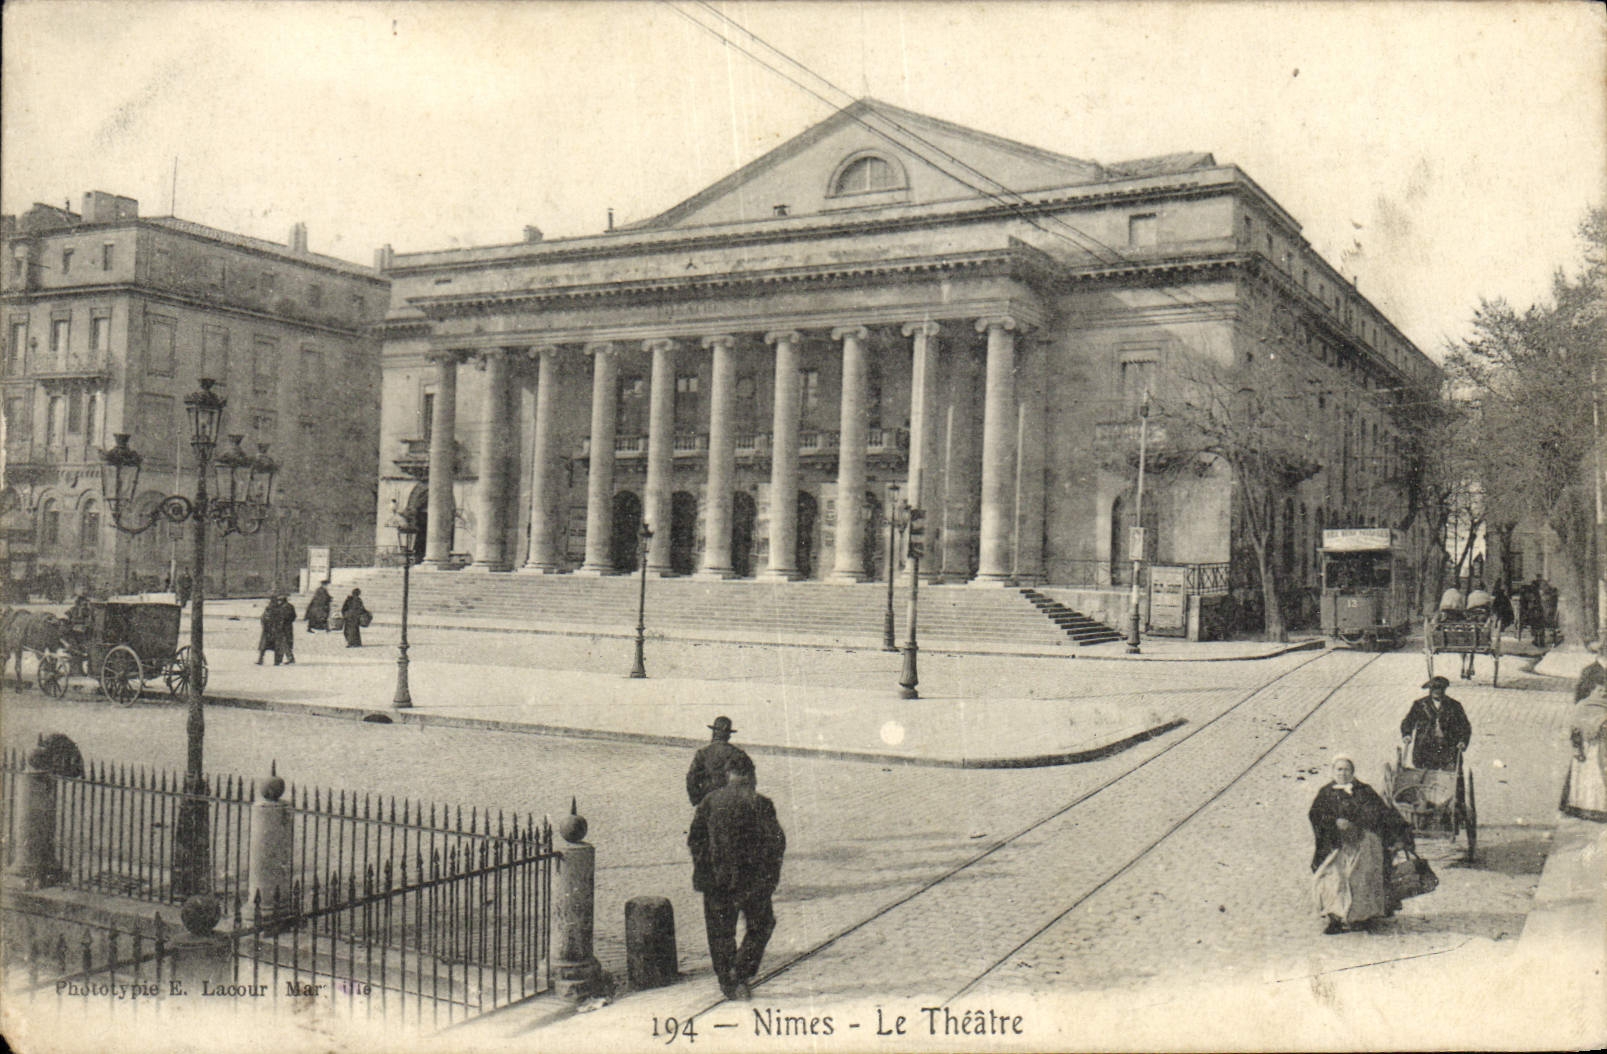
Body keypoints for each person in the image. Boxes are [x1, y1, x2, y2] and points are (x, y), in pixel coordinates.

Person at [688, 752, 785, 1000]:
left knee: (720, 933)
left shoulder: (710, 801)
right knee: (762, 925)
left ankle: (727, 982)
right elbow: (776, 844)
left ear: (728, 775)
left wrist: (706, 869)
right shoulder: (762, 803)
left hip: (716, 881)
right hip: (753, 883)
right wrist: (769, 879)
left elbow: (695, 840)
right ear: (750, 776)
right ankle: (740, 971)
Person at [1309, 754, 1414, 934]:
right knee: (1332, 880)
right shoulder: (1325, 793)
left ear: (1353, 772)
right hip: (1337, 845)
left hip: (1364, 844)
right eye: (1339, 769)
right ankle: (1335, 918)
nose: (1342, 773)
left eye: (1346, 769)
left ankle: (1360, 918)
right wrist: (1335, 822)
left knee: (1360, 880)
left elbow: (1382, 813)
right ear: (1333, 771)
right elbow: (1316, 815)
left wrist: (1397, 835)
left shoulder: (1364, 791)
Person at [1563, 657, 1607, 822]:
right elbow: (1578, 715)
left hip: (1602, 741)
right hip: (1590, 742)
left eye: (1605, 690)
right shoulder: (1589, 674)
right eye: (1599, 690)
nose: (1603, 692)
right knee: (1589, 772)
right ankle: (1585, 806)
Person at [1401, 675, 1473, 770]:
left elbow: (1465, 726)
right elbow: (1408, 721)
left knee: (1451, 778)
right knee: (1423, 778)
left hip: (1448, 749)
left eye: (1440, 689)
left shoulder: (1454, 706)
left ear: (1444, 690)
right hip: (1425, 749)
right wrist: (1407, 734)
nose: (1437, 692)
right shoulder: (1420, 705)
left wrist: (1463, 741)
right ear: (1430, 690)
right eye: (1434, 688)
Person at [687, 716, 752, 807]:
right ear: (729, 735)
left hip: (708, 803)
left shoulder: (703, 753)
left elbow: (691, 779)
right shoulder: (740, 754)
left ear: (714, 732)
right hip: (732, 805)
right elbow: (750, 781)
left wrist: (698, 801)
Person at [273, 593, 297, 665]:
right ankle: (284, 659)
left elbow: (281, 618)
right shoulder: (290, 606)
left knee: (283, 643)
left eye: (279, 600)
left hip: (283, 628)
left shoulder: (282, 608)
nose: (278, 602)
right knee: (285, 643)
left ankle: (288, 659)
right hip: (288, 627)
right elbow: (294, 616)